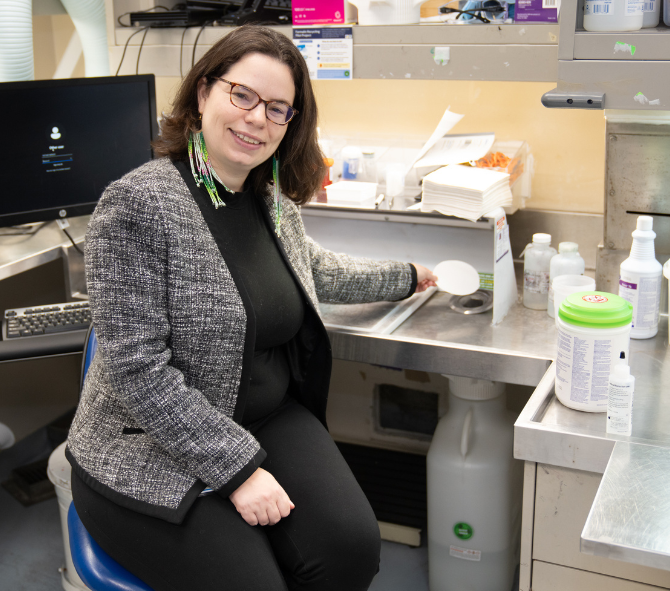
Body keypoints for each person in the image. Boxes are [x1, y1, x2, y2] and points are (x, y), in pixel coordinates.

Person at [67, 25, 437, 591]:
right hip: (146, 443)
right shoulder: (136, 205)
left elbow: (315, 270)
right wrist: (238, 471)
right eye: (242, 95)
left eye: (278, 108)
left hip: (265, 414)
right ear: (203, 94)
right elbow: (136, 372)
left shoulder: (269, 198)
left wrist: (407, 276)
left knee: (351, 550)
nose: (256, 118)